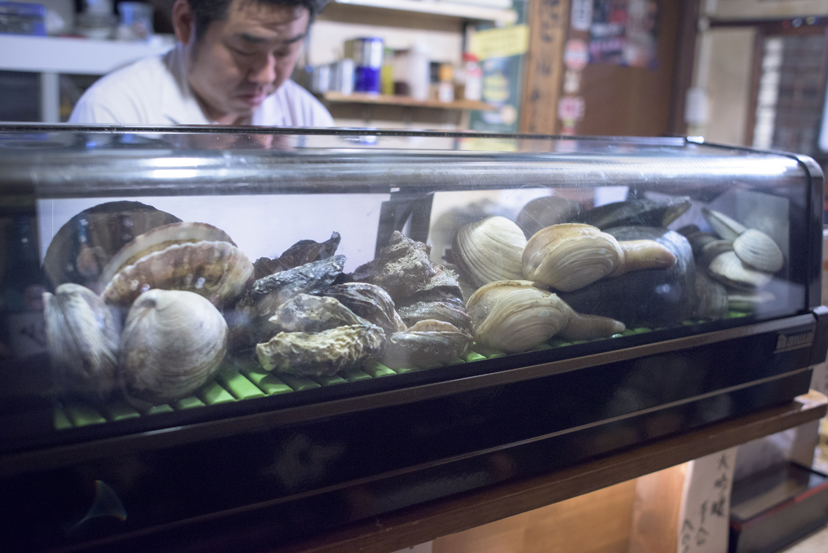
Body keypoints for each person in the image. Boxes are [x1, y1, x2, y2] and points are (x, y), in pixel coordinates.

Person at [69, 0, 334, 127]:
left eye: (285, 52)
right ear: (185, 23)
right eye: (245, 50)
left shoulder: (309, 121)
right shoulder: (112, 114)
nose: (265, 75)